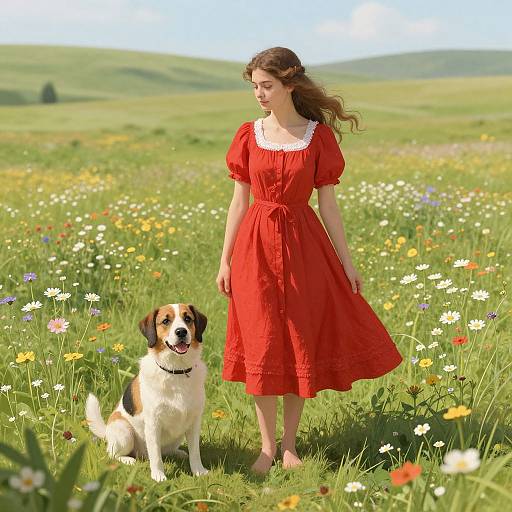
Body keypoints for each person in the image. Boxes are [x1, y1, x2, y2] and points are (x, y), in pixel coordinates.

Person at [216, 47, 403, 474]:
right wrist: (225, 260)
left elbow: (329, 206)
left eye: (266, 86)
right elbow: (238, 202)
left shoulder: (318, 137)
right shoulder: (248, 134)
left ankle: (289, 446)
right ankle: (265, 447)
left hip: (306, 248)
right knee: (262, 341)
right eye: (255, 87)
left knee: (299, 339)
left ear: (289, 85)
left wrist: (346, 262)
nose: (259, 95)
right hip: (255, 249)